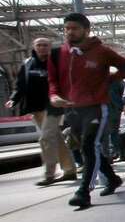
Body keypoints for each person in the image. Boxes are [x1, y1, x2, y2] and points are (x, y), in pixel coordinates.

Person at [48, 13, 125, 208]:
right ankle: (112, 178)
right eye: (67, 28)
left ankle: (84, 191)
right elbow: (52, 80)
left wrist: (107, 81)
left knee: (89, 145)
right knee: (84, 146)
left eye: (74, 28)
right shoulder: (57, 54)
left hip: (96, 107)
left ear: (86, 30)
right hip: (71, 109)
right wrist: (54, 96)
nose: (69, 32)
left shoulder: (101, 51)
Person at [6, 38, 77, 186]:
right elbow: (20, 86)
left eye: (45, 45)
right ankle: (70, 170)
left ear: (50, 47)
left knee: (45, 138)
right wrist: (13, 99)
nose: (42, 48)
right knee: (55, 138)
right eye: (39, 45)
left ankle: (49, 174)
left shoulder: (56, 62)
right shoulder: (27, 64)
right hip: (35, 107)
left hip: (53, 105)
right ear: (34, 47)